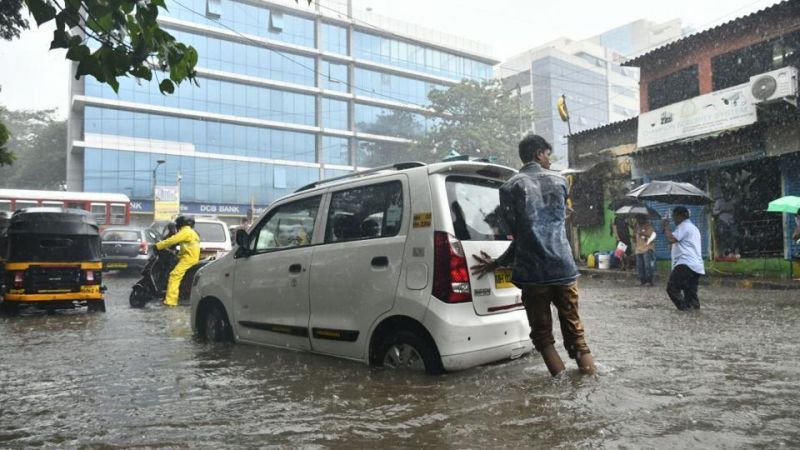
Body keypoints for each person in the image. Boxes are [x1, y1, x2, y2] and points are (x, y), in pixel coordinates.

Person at [471, 133, 595, 376]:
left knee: (543, 337)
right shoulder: (560, 182)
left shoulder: (510, 187)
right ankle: (588, 379)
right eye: (548, 155)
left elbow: (519, 235)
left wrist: (496, 263)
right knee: (575, 333)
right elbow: (553, 221)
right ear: (539, 154)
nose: (549, 160)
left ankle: (560, 385)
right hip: (564, 269)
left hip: (534, 273)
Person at [662, 206, 705, 310]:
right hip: (696, 266)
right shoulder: (693, 228)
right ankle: (693, 312)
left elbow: (670, 239)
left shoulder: (684, 226)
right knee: (690, 294)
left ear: (680, 216)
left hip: (685, 264)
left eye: (674, 216)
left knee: (672, 288)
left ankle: (684, 310)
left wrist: (666, 226)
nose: (673, 219)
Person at [154, 215, 200, 307]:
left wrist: (158, 246)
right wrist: (178, 255)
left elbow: (173, 240)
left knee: (174, 275)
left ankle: (171, 301)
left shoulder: (185, 231)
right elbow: (186, 247)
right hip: (188, 257)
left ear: (180, 223)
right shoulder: (191, 232)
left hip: (188, 258)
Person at [634, 215, 656, 286]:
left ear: (643, 218)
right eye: (636, 219)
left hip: (647, 248)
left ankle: (649, 281)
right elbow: (635, 236)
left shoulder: (649, 226)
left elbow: (652, 237)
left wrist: (643, 234)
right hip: (638, 248)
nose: (637, 220)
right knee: (639, 266)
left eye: (638, 218)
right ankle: (642, 280)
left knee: (647, 266)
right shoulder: (636, 226)